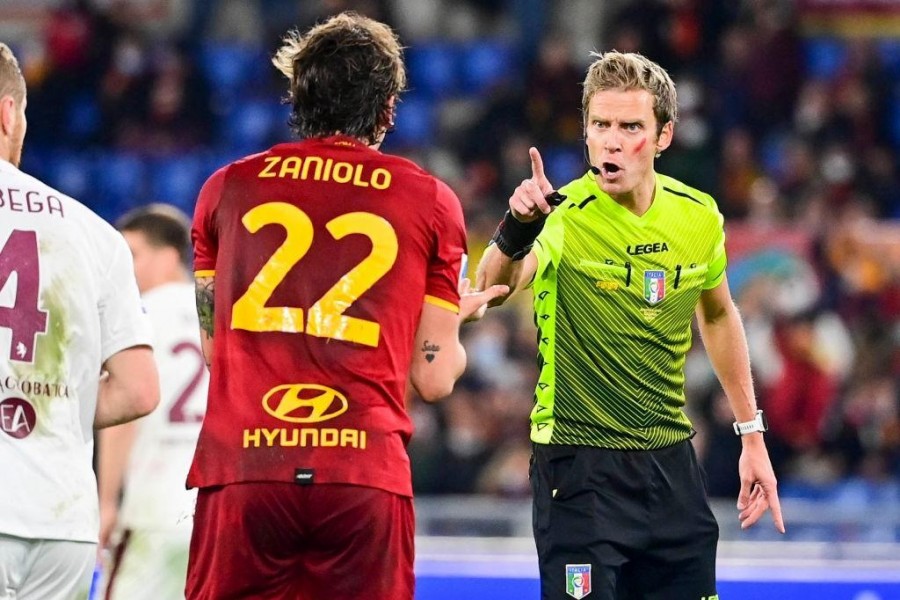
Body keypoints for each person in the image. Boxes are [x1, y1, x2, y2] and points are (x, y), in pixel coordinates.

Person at [185, 12, 507, 600]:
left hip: (246, 470)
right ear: (387, 110)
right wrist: (453, 317)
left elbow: (216, 350)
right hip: (363, 473)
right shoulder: (430, 200)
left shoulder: (224, 189)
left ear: (297, 97)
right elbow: (433, 378)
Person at [476, 50, 786, 599]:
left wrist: (751, 435)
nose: (612, 141)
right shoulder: (563, 215)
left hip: (671, 466)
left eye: (630, 127)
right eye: (600, 125)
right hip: (579, 471)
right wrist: (518, 227)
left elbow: (717, 314)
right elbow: (492, 289)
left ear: (663, 136)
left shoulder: (698, 216)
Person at [0, 43, 158, 600]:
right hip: (60, 521)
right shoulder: (94, 232)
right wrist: (54, 404)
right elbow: (139, 390)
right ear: (8, 113)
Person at [97, 205, 208, 600]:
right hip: (214, 513)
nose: (125, 268)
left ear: (168, 256)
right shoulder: (222, 316)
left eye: (134, 255)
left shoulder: (138, 315)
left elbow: (125, 416)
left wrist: (106, 502)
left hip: (151, 508)